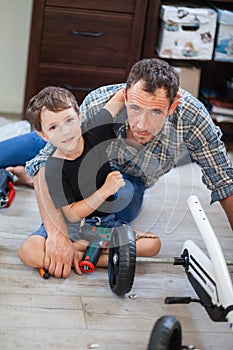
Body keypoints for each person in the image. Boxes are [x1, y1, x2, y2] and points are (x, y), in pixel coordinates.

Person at [4, 58, 233, 277]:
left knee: (120, 199)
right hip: (70, 154)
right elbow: (47, 163)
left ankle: (28, 180)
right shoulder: (99, 104)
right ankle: (30, 172)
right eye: (135, 109)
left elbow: (225, 183)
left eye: (155, 112)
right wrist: (56, 235)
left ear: (172, 107)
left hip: (127, 182)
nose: (142, 125)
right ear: (124, 96)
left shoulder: (193, 118)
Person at [18, 86, 161, 276]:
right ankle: (90, 257)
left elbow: (120, 96)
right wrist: (105, 190)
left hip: (103, 226)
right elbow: (72, 214)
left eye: (69, 120)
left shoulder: (96, 132)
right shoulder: (52, 168)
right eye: (53, 127)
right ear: (43, 135)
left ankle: (77, 255)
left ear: (79, 116)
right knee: (29, 251)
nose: (65, 131)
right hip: (70, 228)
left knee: (153, 243)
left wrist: (149, 88)